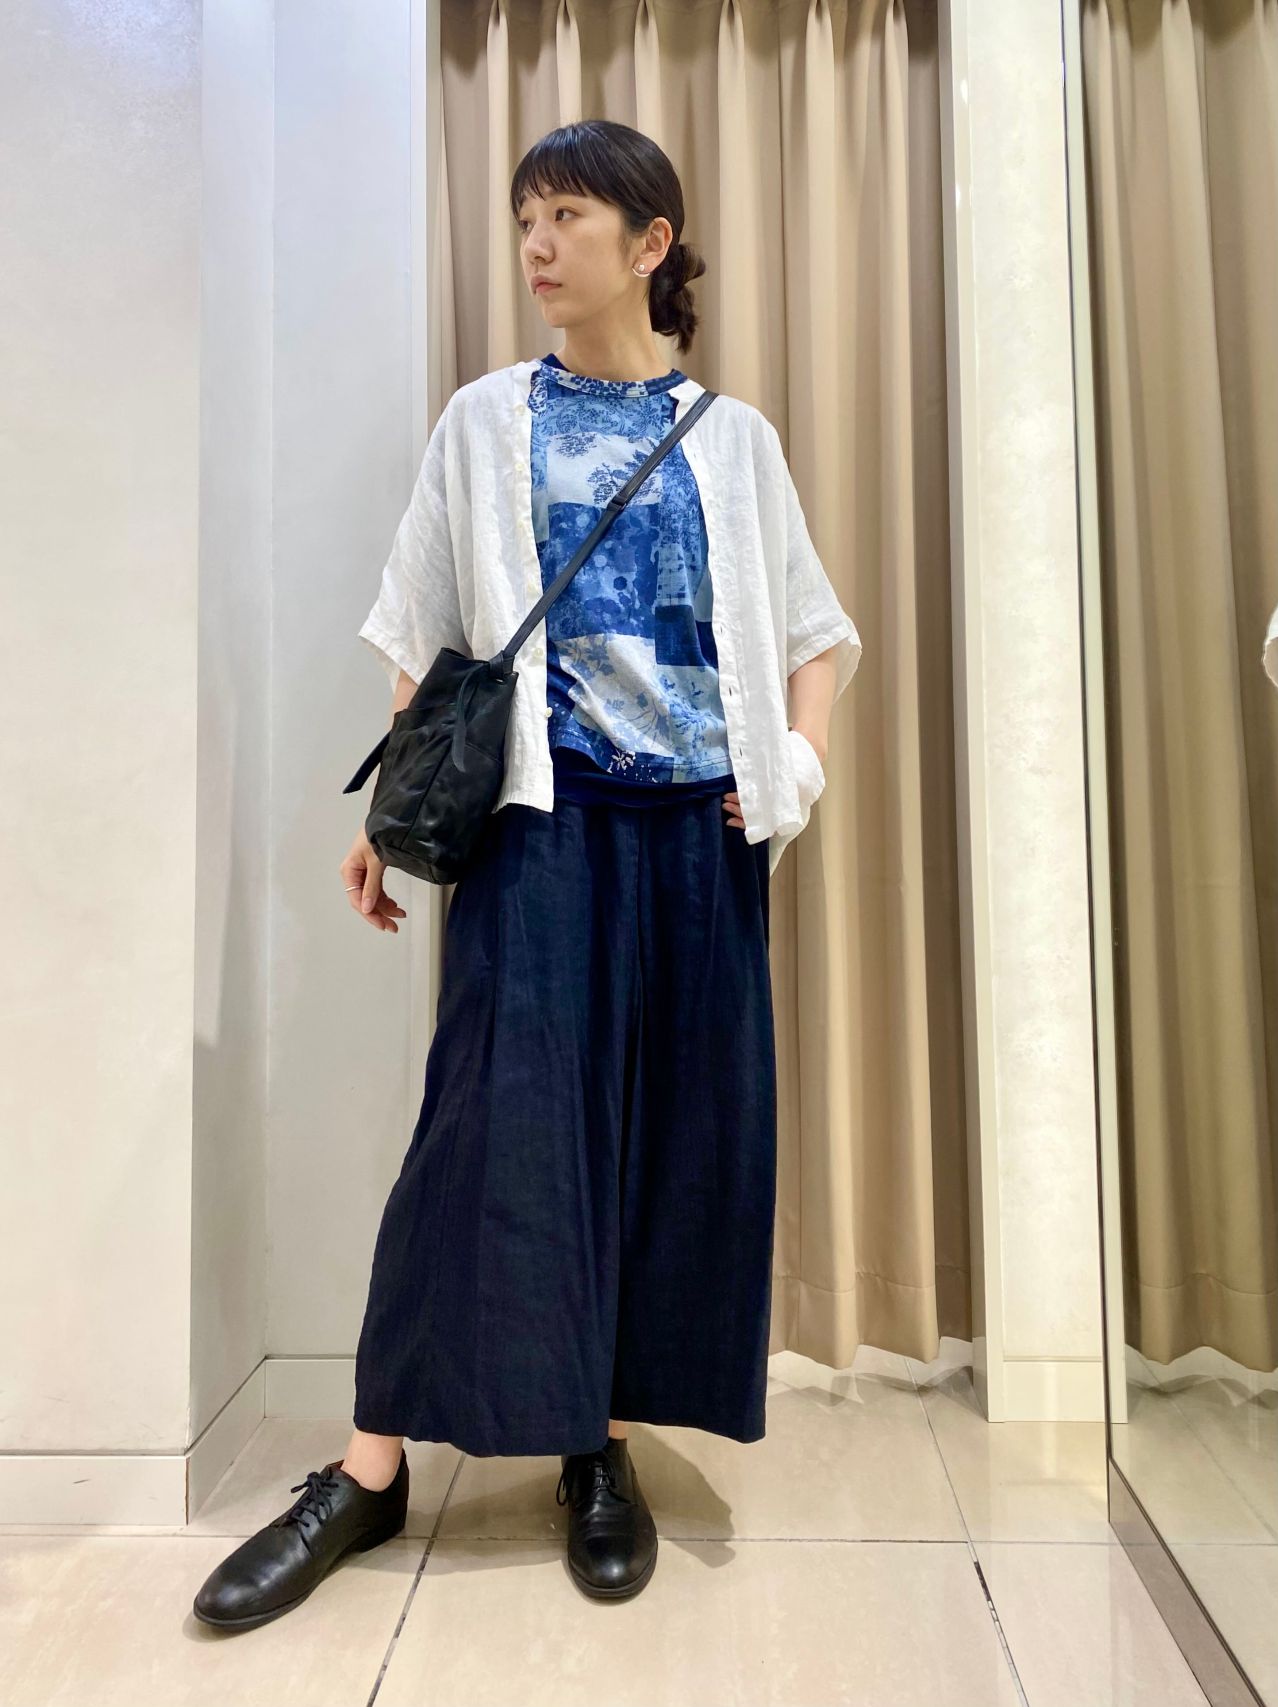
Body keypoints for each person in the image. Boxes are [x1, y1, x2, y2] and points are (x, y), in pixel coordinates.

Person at [193, 119, 860, 1632]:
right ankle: (367, 1471)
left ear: (651, 243)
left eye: (567, 217)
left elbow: (813, 633)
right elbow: (429, 630)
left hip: (698, 842)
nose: (538, 247)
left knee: (658, 1139)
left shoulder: (734, 440)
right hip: (540, 837)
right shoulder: (486, 421)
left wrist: (796, 771)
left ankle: (596, 1450)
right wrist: (393, 818)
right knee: (482, 1137)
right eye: (525, 219)